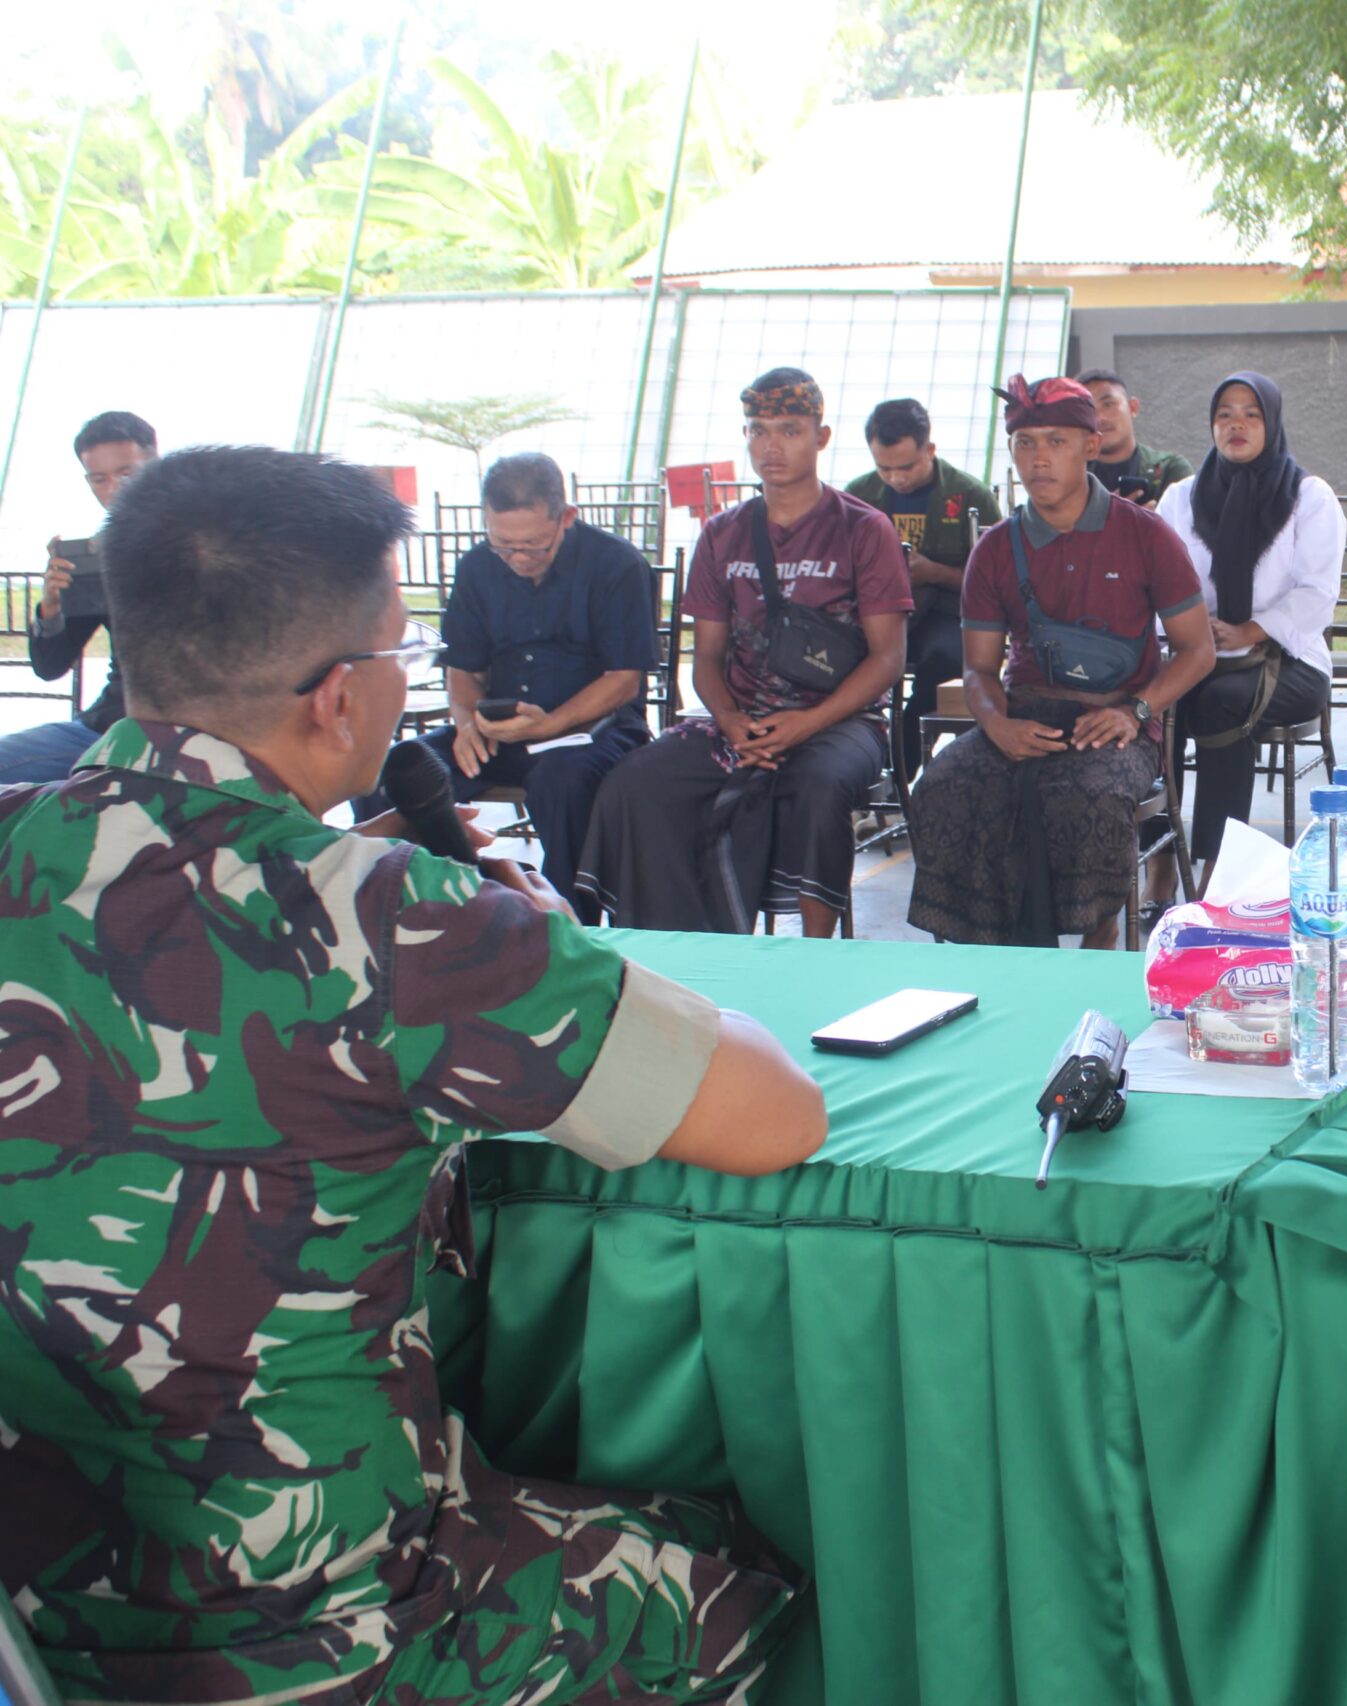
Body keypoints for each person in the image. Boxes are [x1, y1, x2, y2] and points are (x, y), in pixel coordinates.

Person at [0, 445, 822, 1704]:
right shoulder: (397, 919)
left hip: (35, 1618)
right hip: (333, 1628)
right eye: (399, 651)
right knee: (764, 1580)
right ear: (337, 696)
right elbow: (774, 1115)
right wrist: (541, 943)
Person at [578, 368, 911, 938]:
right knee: (635, 784)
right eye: (758, 431)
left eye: (789, 430)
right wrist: (730, 721)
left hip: (842, 721)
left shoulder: (863, 528)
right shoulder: (722, 533)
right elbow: (705, 658)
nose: (771, 446)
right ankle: (675, 946)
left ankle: (816, 952)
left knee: (818, 785)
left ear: (821, 437)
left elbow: (887, 660)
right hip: (740, 721)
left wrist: (805, 724)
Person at [906, 374, 1216, 947]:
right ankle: (989, 961)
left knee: (1087, 801)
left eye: (1056, 441)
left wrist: (1136, 710)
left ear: (1090, 446)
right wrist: (995, 724)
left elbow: (1199, 649)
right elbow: (978, 668)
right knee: (942, 786)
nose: (1039, 458)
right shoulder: (995, 548)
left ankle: (1094, 963)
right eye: (1026, 443)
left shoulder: (1147, 536)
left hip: (1117, 723)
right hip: (1024, 715)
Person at [353, 451, 656, 914]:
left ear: (566, 518)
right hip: (499, 728)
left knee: (561, 781)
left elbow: (623, 680)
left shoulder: (615, 565)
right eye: (502, 544)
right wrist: (467, 722)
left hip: (594, 730)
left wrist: (547, 725)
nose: (516, 558)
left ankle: (570, 922)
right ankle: (433, 908)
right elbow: (465, 669)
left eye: (533, 545)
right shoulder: (478, 567)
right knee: (397, 772)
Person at [1154, 372, 1342, 875]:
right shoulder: (1181, 498)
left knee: (1220, 704)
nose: (1236, 425)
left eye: (1250, 415)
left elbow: (1317, 593)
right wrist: (1192, 633)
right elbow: (1160, 583)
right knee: (1152, 706)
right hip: (1199, 653)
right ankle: (1159, 866)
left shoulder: (1308, 496)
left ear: (1271, 423)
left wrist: (1250, 630)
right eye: (1224, 415)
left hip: (1289, 657)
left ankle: (1217, 870)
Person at [846, 397, 1002, 776]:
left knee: (946, 658)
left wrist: (934, 572)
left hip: (945, 614)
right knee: (835, 659)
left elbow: (999, 582)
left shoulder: (970, 496)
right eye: (884, 468)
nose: (896, 478)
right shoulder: (856, 497)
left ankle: (900, 762)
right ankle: (854, 752)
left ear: (929, 450)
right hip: (874, 614)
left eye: (906, 467)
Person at [0, 410, 155, 784]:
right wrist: (51, 606)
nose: (115, 489)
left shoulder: (210, 544)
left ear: (156, 464)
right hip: (109, 724)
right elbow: (50, 667)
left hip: (193, 730)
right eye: (99, 479)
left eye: (127, 473)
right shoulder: (96, 557)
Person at [1077, 368, 1193, 506]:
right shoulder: (1071, 476)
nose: (1099, 418)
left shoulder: (1169, 469)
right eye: (1089, 410)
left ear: (1133, 407)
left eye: (1108, 404)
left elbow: (1187, 523)